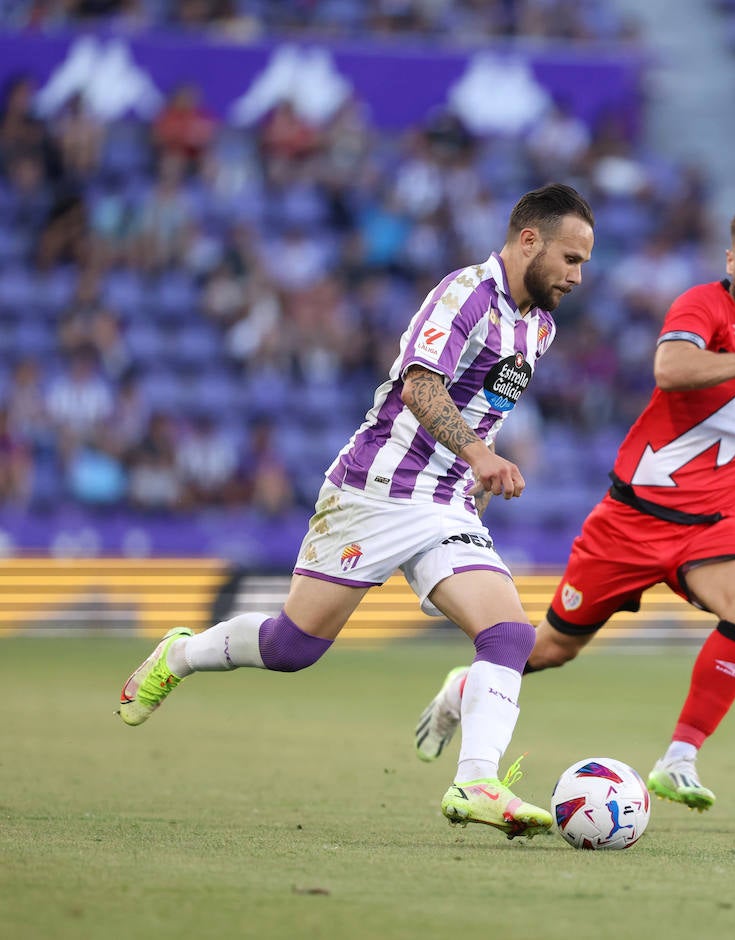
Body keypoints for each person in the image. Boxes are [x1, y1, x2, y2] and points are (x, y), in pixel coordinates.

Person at [116, 183, 596, 840]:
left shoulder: (538, 326)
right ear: (528, 240)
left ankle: (476, 781)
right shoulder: (465, 296)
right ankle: (180, 655)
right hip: (373, 492)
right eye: (570, 259)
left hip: (447, 502)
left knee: (509, 633)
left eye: (585, 265)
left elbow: (489, 403)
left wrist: (477, 477)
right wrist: (481, 455)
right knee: (292, 647)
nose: (577, 276)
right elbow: (420, 386)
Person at [412, 203, 735, 812]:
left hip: (713, 524)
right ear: (730, 261)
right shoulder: (702, 306)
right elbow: (671, 369)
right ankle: (463, 690)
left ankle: (679, 758)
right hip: (630, 521)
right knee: (551, 650)